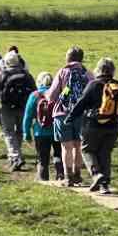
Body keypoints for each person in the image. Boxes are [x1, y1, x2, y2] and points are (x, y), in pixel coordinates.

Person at [64, 57, 118, 193]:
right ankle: (104, 186)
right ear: (112, 70)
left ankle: (96, 174)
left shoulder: (93, 84)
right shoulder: (115, 85)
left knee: (87, 150)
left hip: (93, 124)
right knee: (105, 153)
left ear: (98, 70)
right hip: (113, 125)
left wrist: (69, 118)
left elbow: (81, 103)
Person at [47, 47, 92, 188]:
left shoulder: (62, 72)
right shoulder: (88, 74)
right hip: (82, 114)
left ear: (68, 57)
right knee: (78, 146)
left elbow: (52, 96)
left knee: (66, 147)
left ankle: (68, 177)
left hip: (63, 113)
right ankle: (78, 175)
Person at [0, 46, 33, 171]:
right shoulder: (26, 74)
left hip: (7, 107)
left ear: (6, 62)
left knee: (8, 132)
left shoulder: (3, 74)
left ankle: (16, 157)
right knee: (19, 131)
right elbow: (34, 91)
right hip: (23, 106)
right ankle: (16, 156)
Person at [23, 70, 63, 181]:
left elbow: (28, 116)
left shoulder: (34, 95)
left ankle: (43, 180)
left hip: (40, 132)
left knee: (42, 159)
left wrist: (26, 133)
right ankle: (60, 175)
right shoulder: (58, 94)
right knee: (58, 154)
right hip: (57, 130)